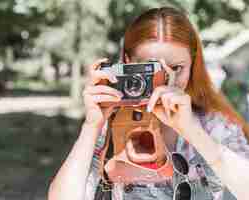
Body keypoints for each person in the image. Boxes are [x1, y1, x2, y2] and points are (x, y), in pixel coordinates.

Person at [48, 7, 249, 200]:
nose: (165, 79)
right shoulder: (111, 124)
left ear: (192, 64)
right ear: (127, 63)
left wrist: (192, 131)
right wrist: (91, 127)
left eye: (176, 68)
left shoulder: (213, 125)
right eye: (151, 68)